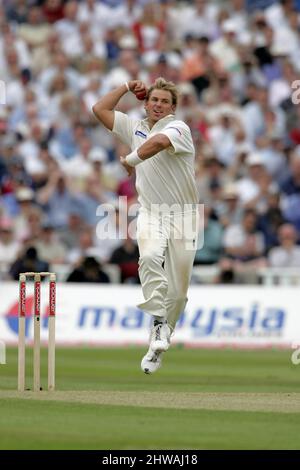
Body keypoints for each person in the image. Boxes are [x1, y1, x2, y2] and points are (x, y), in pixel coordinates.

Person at [92, 77, 199, 374]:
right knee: (150, 258)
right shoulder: (135, 126)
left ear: (173, 107)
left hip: (185, 217)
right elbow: (99, 109)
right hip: (151, 212)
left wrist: (130, 158)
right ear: (146, 103)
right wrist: (126, 86)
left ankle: (162, 339)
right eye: (154, 100)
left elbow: (158, 144)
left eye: (165, 101)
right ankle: (157, 323)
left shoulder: (179, 128)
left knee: (177, 293)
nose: (159, 105)